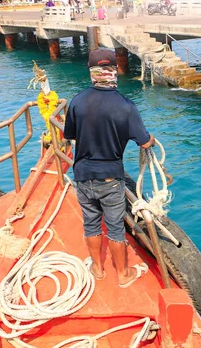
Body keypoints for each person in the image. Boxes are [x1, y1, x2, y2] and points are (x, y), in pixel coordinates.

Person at [64, 49, 155, 288]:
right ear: (115, 70)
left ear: (91, 71)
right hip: (111, 178)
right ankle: (123, 275)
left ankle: (98, 268)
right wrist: (151, 140)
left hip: (83, 175)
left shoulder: (77, 101)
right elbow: (144, 142)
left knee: (91, 223)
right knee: (115, 227)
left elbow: (70, 135)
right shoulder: (126, 106)